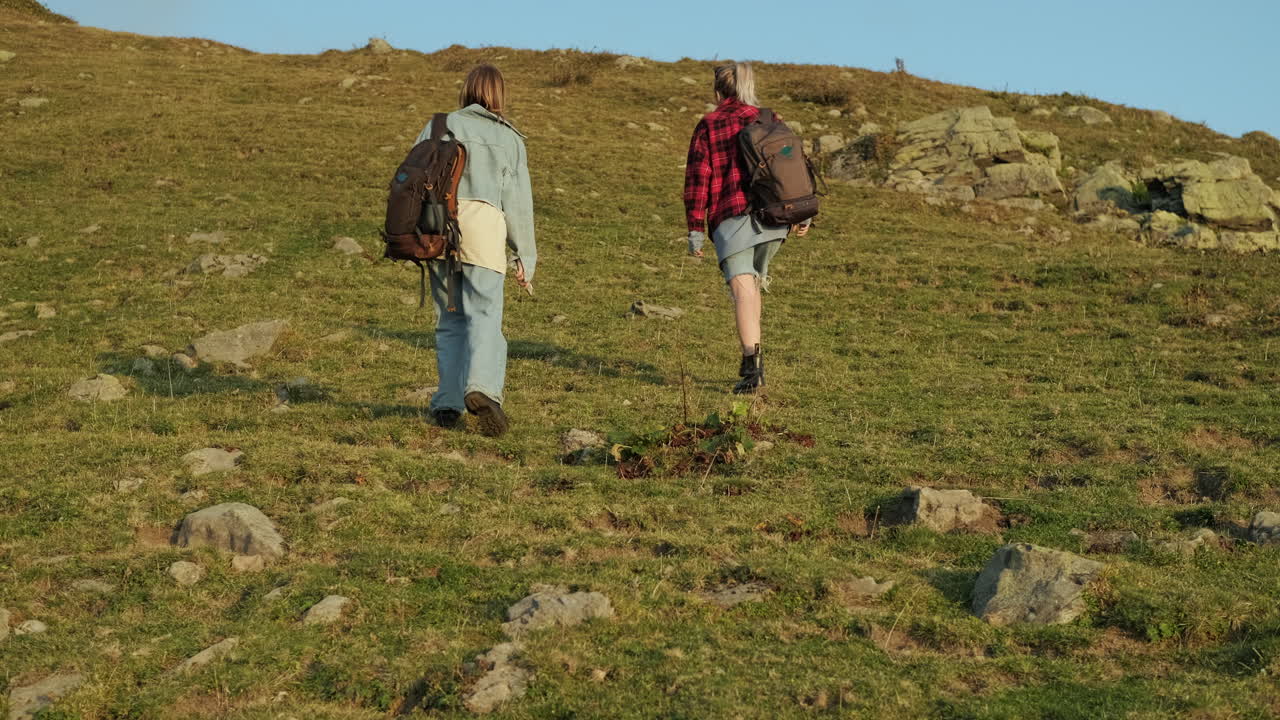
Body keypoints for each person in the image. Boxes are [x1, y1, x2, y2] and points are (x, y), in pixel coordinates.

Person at [416, 64, 536, 436]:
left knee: (449, 321)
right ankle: (482, 389)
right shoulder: (509, 138)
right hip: (484, 231)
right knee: (484, 316)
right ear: (499, 95)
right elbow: (518, 202)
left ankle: (447, 403)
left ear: (466, 90)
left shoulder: (439, 126)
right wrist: (525, 255)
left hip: (438, 231)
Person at [683, 61, 807, 394]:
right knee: (752, 285)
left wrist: (695, 230)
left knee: (742, 289)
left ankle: (752, 369)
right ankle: (754, 359)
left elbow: (698, 179)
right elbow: (791, 167)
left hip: (732, 216)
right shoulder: (767, 118)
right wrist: (802, 214)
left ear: (718, 89)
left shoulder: (710, 125)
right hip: (773, 218)